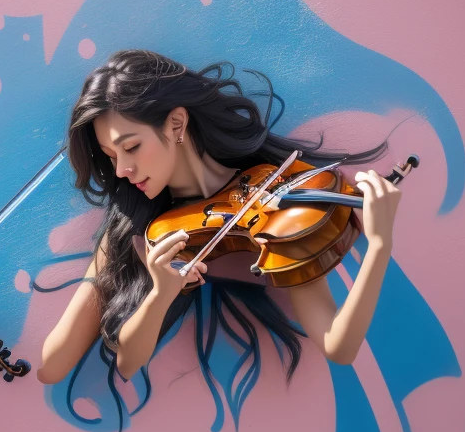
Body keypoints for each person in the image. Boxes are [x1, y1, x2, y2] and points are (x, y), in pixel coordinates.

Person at [36, 50, 403, 409]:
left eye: (131, 147)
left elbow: (338, 345)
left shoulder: (276, 216)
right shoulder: (139, 229)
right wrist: (160, 293)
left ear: (176, 124)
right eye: (112, 157)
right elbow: (106, 364)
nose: (121, 170)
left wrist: (378, 245)